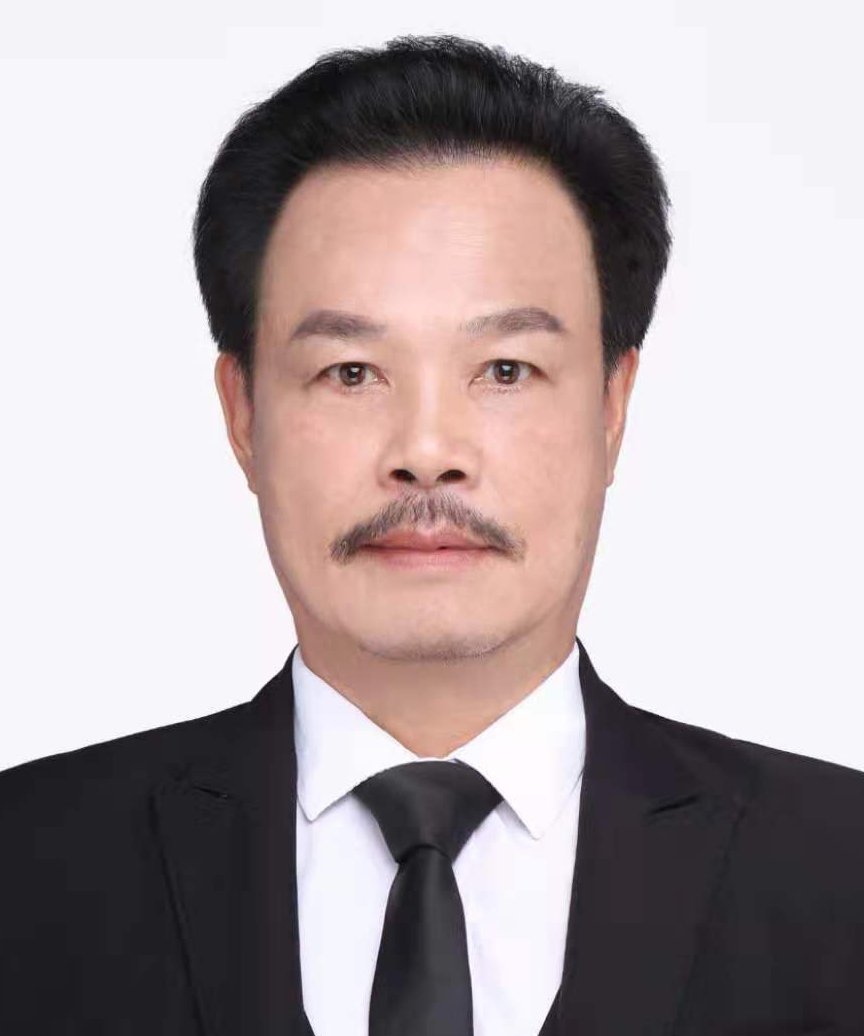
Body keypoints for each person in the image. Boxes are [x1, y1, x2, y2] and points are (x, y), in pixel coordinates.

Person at [1, 32, 863, 1036]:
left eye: (505, 370)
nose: (425, 452)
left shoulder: (839, 872)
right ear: (242, 414)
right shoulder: (28, 868)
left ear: (612, 407)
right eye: (350, 373)